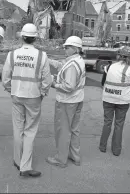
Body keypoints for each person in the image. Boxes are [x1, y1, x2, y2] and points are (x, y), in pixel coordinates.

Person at [2, 23, 52, 178]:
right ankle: (25, 166)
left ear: (22, 37)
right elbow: (47, 79)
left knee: (18, 128)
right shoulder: (41, 56)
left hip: (17, 95)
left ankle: (17, 160)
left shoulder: (12, 54)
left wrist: (11, 89)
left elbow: (5, 77)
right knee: (30, 131)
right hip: (34, 97)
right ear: (35, 38)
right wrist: (43, 93)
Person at [46, 36, 86, 168]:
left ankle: (60, 159)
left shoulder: (73, 65)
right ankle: (75, 156)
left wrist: (53, 84)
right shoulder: (77, 60)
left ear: (75, 49)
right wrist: (48, 60)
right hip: (77, 100)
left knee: (63, 130)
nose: (65, 49)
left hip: (67, 101)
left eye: (67, 47)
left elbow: (69, 86)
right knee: (74, 129)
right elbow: (62, 65)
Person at [99, 46, 130, 156]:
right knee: (119, 125)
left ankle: (102, 146)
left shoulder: (109, 67)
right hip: (123, 101)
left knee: (107, 123)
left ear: (118, 55)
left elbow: (102, 83)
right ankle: (116, 150)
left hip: (108, 99)